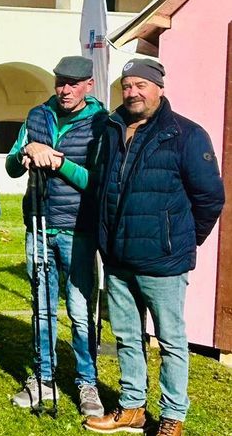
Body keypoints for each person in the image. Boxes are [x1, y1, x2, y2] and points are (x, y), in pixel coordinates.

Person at [85, 58, 225, 436]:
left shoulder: (186, 135)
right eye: (127, 85)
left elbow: (210, 198)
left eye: (140, 85)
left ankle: (173, 416)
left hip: (163, 263)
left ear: (159, 88)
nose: (132, 92)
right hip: (117, 258)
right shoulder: (111, 128)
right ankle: (132, 408)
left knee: (171, 342)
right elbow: (101, 187)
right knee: (127, 338)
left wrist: (179, 240)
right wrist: (104, 241)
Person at [5, 56, 108, 417]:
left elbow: (97, 182)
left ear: (88, 86)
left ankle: (86, 382)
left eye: (73, 83)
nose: (64, 90)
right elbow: (12, 166)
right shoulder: (37, 115)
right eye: (60, 82)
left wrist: (59, 163)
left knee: (80, 313)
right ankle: (43, 378)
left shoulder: (101, 122)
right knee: (42, 309)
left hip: (78, 230)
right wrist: (27, 152)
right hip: (39, 223)